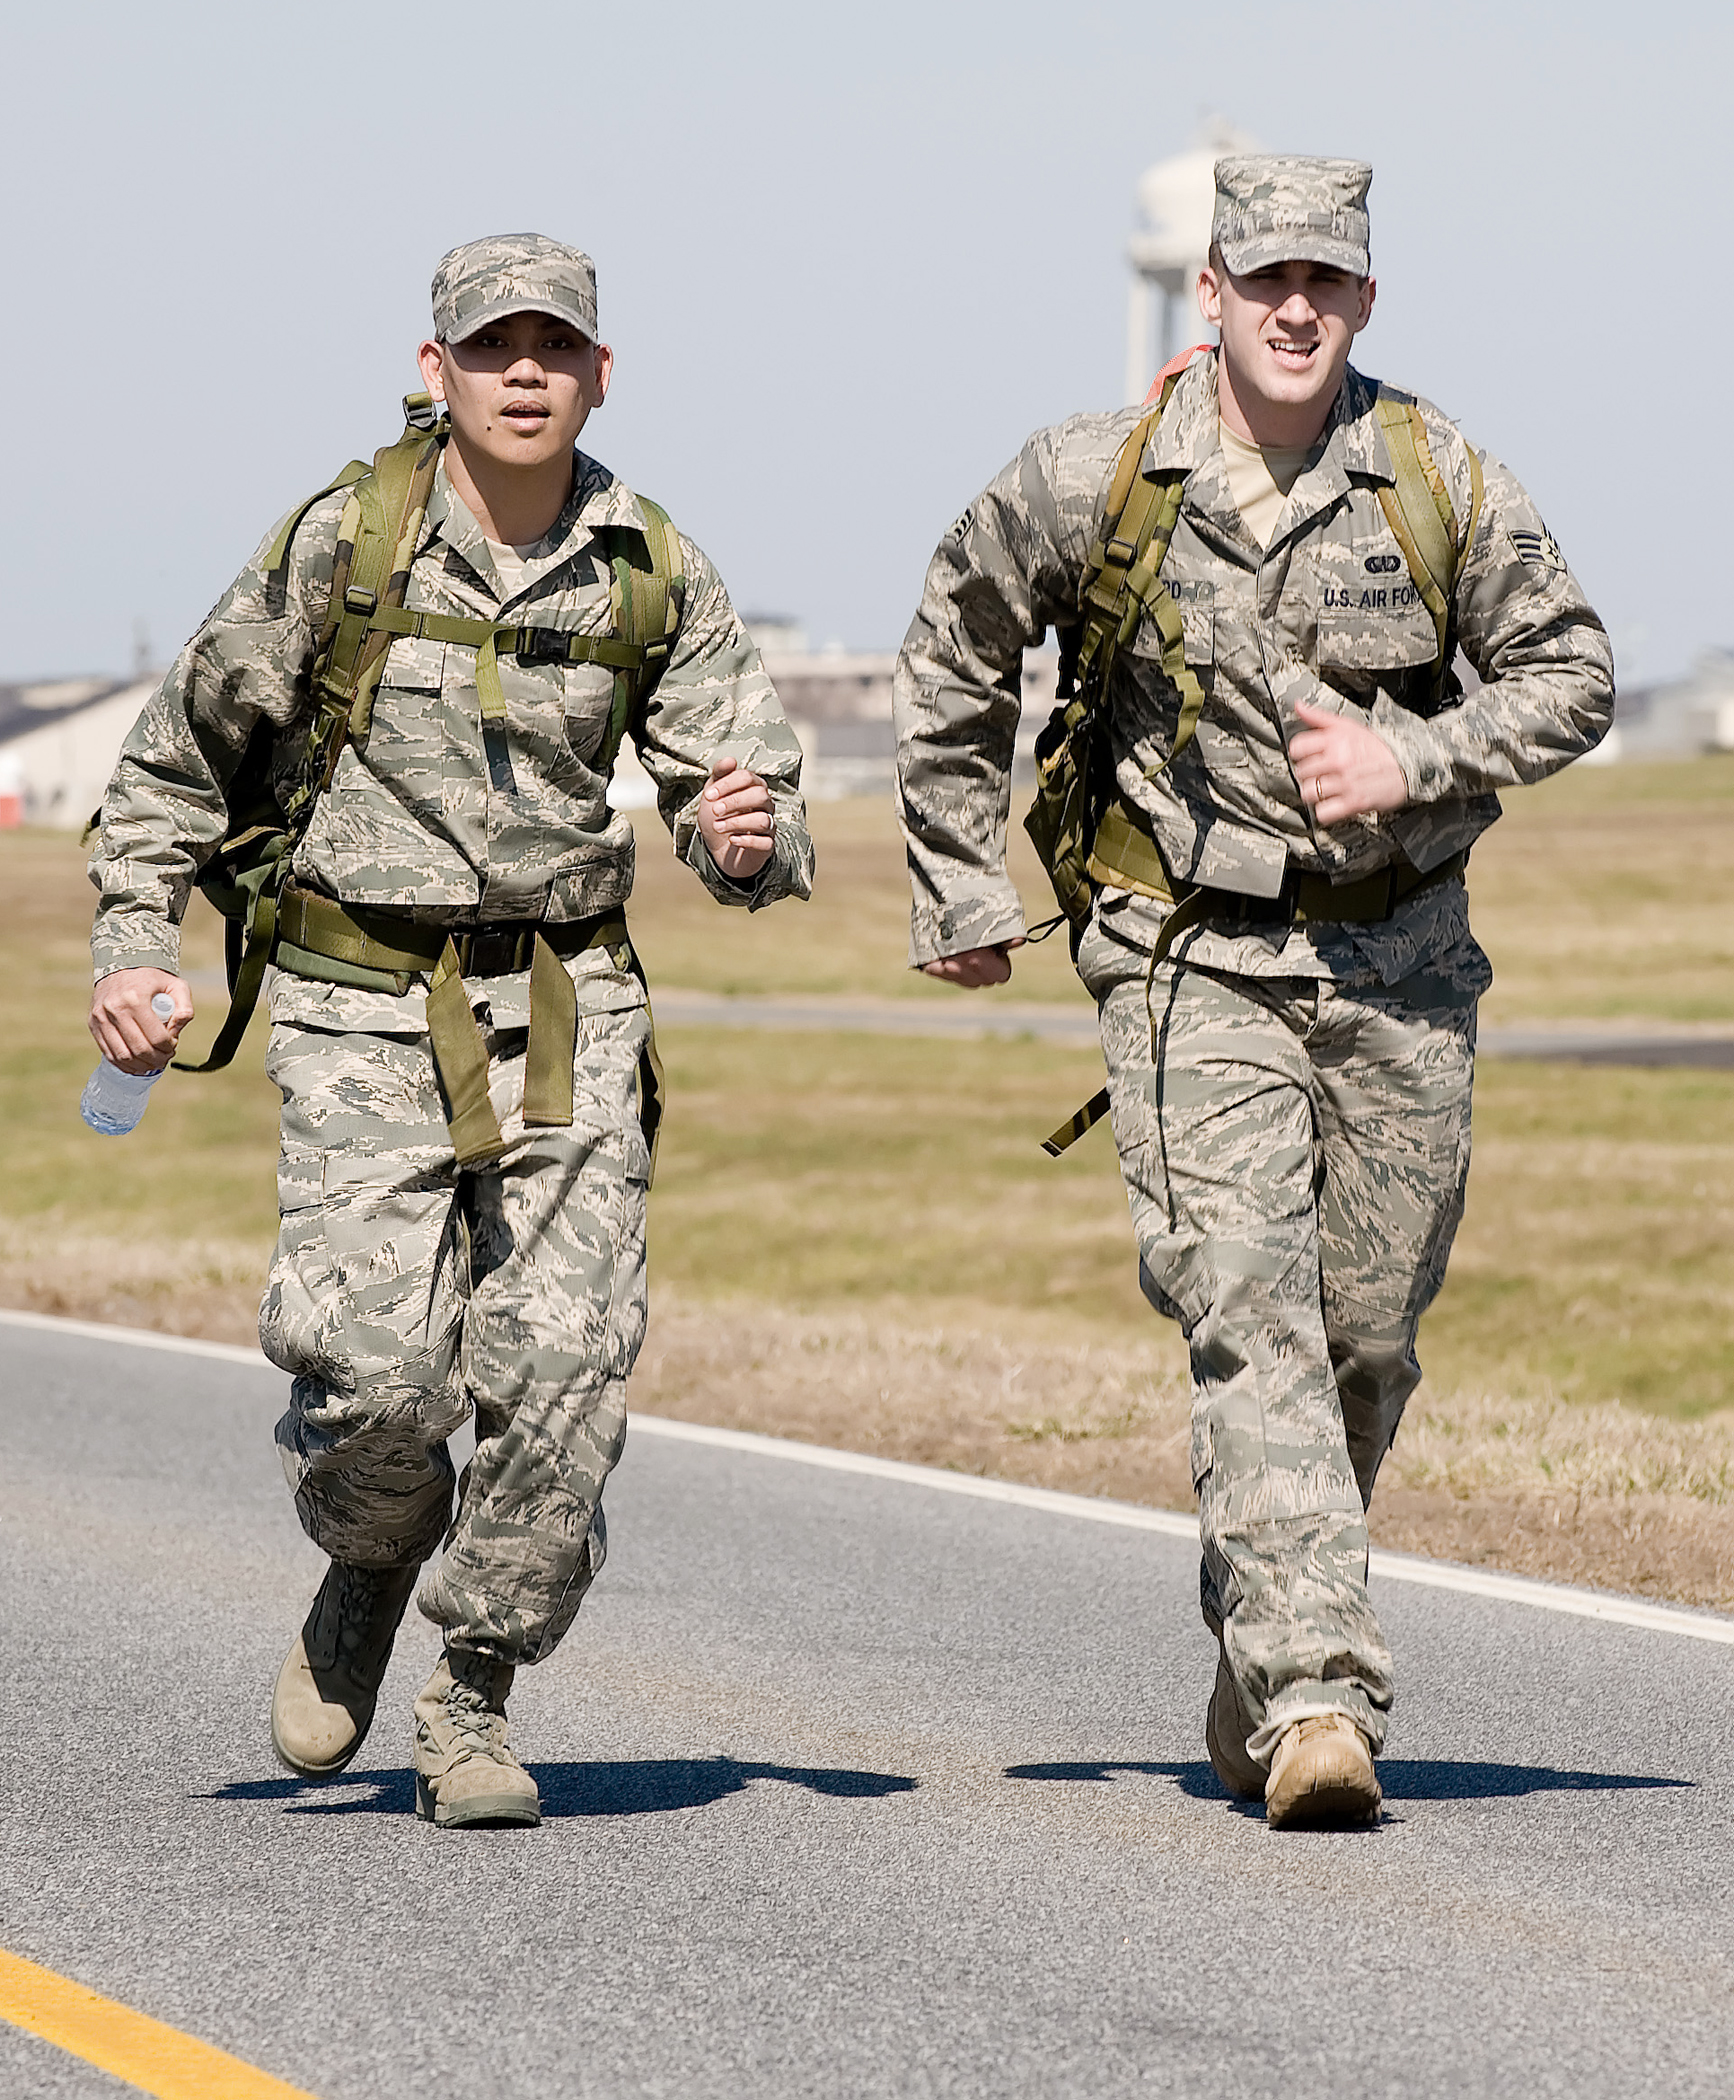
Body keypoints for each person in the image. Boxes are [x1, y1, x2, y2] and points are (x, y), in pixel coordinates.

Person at [894, 159, 1612, 1827]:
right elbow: (952, 650)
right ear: (1205, 291)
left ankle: (1264, 1623)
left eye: (1328, 283)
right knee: (1248, 1303)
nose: (1295, 307)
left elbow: (1568, 673)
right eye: (1265, 277)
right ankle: (1313, 1696)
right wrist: (957, 879)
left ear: (1364, 302)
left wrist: (1409, 754)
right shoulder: (1096, 476)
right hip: (1183, 957)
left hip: (1403, 962)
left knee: (1364, 1334)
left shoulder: (1437, 477)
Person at [87, 234, 813, 1828]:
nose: (527, 371)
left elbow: (743, 797)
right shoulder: (342, 541)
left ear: (603, 373)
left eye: (558, 345)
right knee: (372, 1379)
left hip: (565, 1004)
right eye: (495, 347)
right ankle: (366, 1555)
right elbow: (168, 771)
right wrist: (136, 948)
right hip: (357, 1003)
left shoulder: (651, 565)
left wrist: (744, 841)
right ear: (439, 371)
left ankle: (471, 1691)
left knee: (561, 1374)